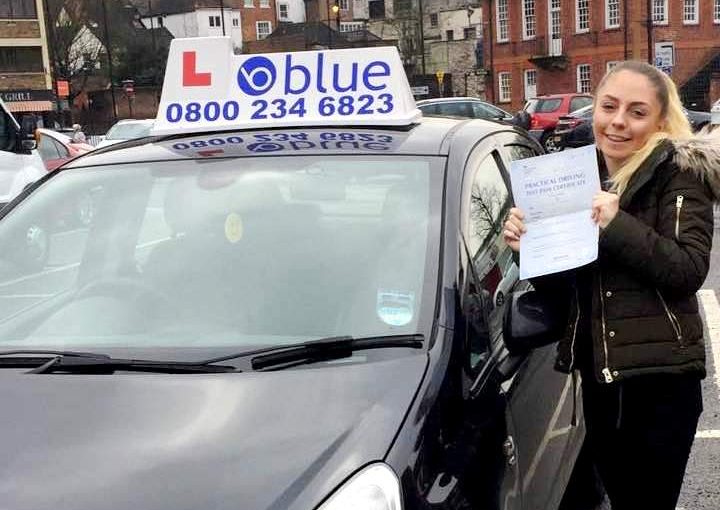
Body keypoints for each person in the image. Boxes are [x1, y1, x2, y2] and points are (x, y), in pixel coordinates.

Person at [503, 60, 720, 509]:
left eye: (637, 112)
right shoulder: (578, 179)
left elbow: (687, 269)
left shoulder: (679, 174)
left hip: (659, 388)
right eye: (609, 107)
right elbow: (568, 298)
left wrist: (615, 223)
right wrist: (530, 251)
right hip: (601, 385)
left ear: (660, 121)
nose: (618, 121)